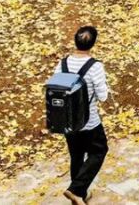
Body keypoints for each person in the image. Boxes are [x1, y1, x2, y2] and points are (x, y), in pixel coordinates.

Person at [55, 26, 110, 205]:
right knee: (99, 150)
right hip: (89, 122)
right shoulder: (95, 67)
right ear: (93, 43)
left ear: (75, 41)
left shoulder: (62, 64)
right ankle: (76, 190)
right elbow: (102, 96)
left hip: (67, 122)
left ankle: (80, 197)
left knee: (76, 156)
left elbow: (56, 88)